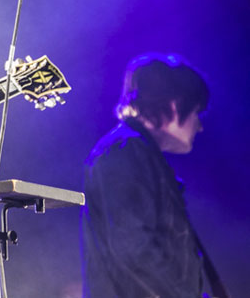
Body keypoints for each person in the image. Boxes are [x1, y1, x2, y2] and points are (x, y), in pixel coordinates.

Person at [81, 53, 222, 298]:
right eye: (197, 113)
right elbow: (133, 249)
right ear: (175, 105)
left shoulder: (139, 153)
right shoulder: (125, 152)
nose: (199, 126)